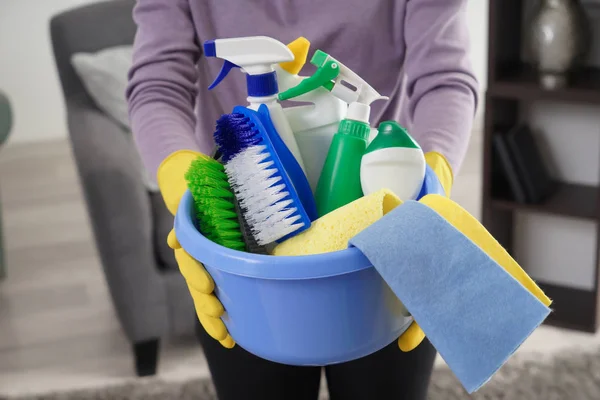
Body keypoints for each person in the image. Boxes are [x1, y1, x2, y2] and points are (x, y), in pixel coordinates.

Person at [126, 1, 478, 399]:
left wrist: (431, 180)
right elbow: (156, 86)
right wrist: (188, 188)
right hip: (246, 255)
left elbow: (445, 81)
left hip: (385, 243)